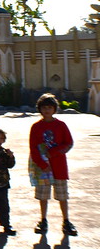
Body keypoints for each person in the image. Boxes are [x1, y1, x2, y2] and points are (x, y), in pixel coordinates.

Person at [29, 93, 78, 236]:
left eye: (50, 107)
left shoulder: (61, 125)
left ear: (55, 109)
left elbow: (68, 143)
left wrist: (54, 152)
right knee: (43, 195)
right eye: (44, 108)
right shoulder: (36, 127)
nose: (47, 110)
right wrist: (42, 164)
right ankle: (43, 220)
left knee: (62, 195)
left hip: (59, 166)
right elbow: (33, 148)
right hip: (42, 167)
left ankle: (66, 221)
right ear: (40, 109)